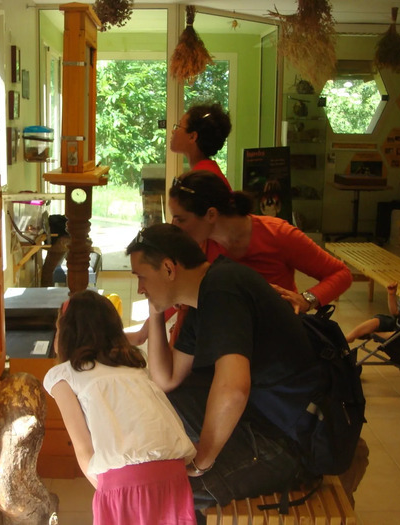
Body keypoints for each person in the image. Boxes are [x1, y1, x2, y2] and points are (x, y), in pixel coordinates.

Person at [126, 224, 330, 520]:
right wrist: (156, 312)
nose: (140, 288)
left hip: (288, 444)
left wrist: (202, 460)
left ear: (169, 268)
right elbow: (166, 379)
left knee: (162, 493)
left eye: (142, 277)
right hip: (261, 421)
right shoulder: (205, 295)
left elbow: (234, 389)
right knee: (162, 400)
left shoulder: (223, 290)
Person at [43, 290, 197, 525]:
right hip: (174, 474)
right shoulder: (133, 365)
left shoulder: (62, 376)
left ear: (65, 335)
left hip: (124, 483)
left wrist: (107, 493)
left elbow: (83, 449)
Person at [168, 170, 352, 313]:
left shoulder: (278, 234)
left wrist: (307, 300)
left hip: (274, 339)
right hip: (227, 338)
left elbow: (340, 274)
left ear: (211, 214)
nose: (174, 226)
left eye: (180, 219)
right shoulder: (197, 245)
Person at [170, 103, 232, 189]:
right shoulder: (207, 172)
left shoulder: (202, 181)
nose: (173, 131)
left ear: (192, 137)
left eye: (179, 126)